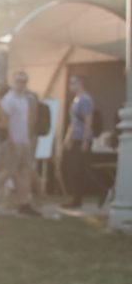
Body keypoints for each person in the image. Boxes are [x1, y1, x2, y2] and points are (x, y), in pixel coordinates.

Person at [0, 71, 42, 216]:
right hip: (13, 141)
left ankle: (23, 203)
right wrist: (10, 139)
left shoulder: (24, 99)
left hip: (24, 141)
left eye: (23, 81)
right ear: (13, 82)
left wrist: (28, 138)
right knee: (8, 171)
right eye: (18, 81)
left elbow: (29, 120)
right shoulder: (9, 99)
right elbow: (5, 121)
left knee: (25, 172)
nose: (20, 84)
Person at [61, 75, 96, 209]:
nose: (71, 85)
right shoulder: (75, 100)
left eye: (73, 83)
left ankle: (77, 199)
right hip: (75, 138)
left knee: (79, 170)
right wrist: (67, 138)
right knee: (72, 169)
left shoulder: (86, 99)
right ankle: (75, 198)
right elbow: (73, 122)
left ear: (80, 83)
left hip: (82, 138)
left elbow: (88, 121)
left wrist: (85, 141)